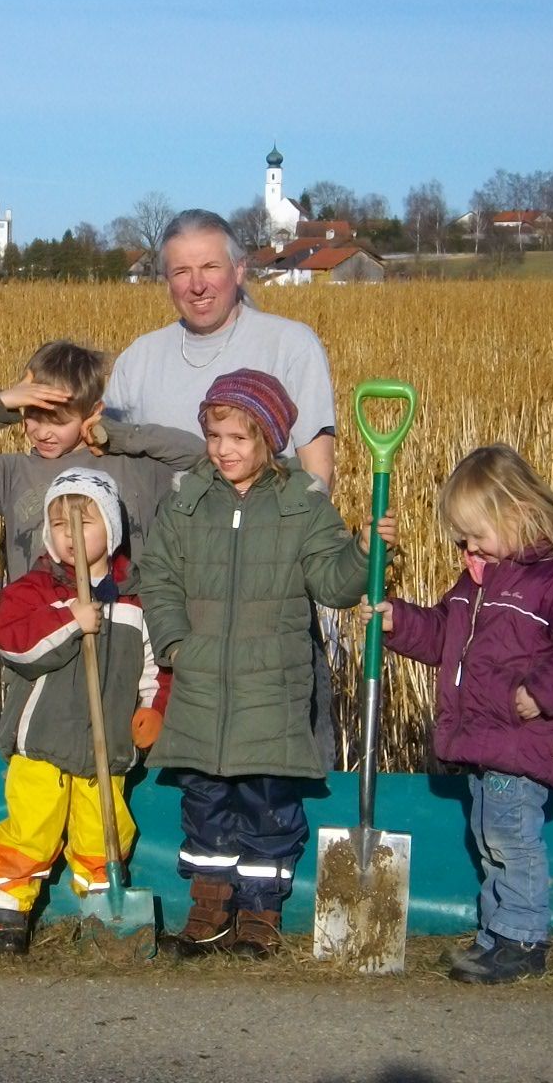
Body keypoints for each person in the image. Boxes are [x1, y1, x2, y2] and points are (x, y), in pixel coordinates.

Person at [139, 369, 390, 958]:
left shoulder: (301, 505)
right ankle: (208, 912)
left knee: (268, 809)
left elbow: (333, 585)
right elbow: (158, 575)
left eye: (239, 439)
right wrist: (175, 644)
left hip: (272, 689)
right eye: (214, 436)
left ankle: (260, 917)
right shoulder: (186, 500)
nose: (224, 450)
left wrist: (363, 552)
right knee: (204, 809)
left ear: (269, 440)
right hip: (202, 685)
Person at [374, 444, 553, 984]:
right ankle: (496, 935)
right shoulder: (477, 583)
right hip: (488, 741)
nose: (468, 548)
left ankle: (523, 939)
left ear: (517, 513)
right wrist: (399, 623)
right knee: (491, 839)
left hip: (523, 739)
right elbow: (444, 631)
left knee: (510, 838)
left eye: (476, 534)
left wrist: (543, 691)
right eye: (461, 539)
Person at [105, 208, 343, 764]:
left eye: (210, 266)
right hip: (171, 594)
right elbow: (107, 459)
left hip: (266, 591)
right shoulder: (140, 359)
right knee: (174, 743)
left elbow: (316, 471)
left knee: (284, 747)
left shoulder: (289, 344)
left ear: (239, 269)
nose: (197, 283)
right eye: (180, 271)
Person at [0, 468, 162, 954]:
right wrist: (69, 620)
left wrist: (151, 708)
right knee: (30, 831)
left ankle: (104, 915)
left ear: (112, 532)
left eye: (85, 523)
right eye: (60, 525)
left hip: (107, 751)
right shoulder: (34, 591)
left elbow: (151, 666)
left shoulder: (133, 602)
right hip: (43, 745)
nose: (71, 536)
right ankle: (8, 912)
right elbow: (14, 645)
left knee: (105, 831)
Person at [0, 339, 203, 580]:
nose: (42, 433)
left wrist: (119, 434)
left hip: (124, 623)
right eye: (31, 417)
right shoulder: (13, 474)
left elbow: (199, 457)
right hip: (43, 627)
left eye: (58, 422)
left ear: (93, 411)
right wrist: (0, 406)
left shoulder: (131, 466)